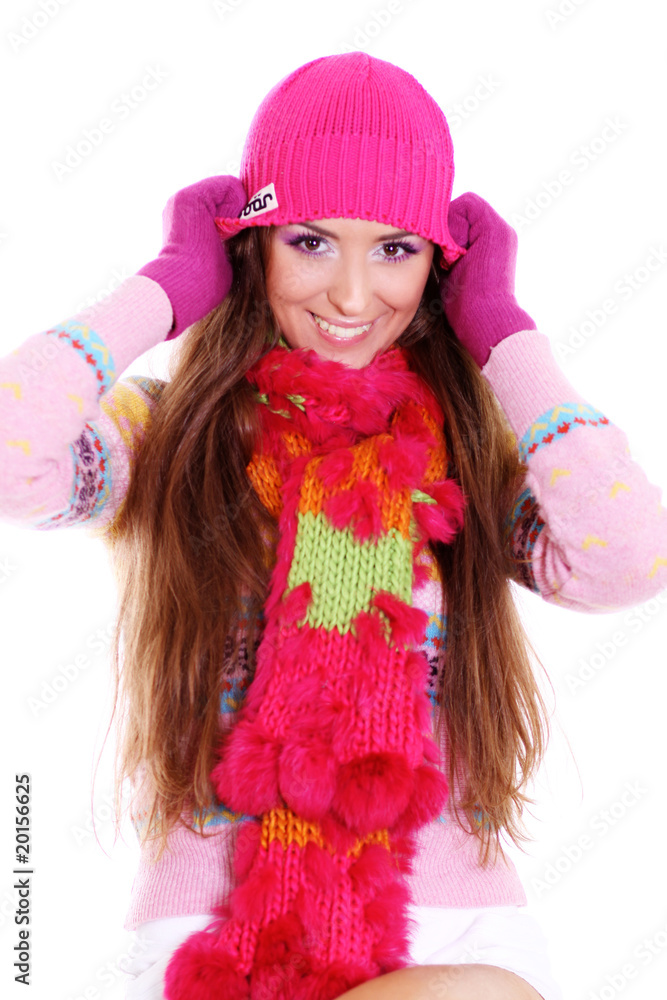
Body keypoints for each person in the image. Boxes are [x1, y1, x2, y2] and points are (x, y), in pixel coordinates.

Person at [1, 52, 665, 1000]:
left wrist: (504, 335)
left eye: (395, 250)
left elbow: (634, 558)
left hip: (453, 925)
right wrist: (161, 290)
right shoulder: (174, 436)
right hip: (223, 930)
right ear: (253, 245)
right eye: (310, 241)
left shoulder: (466, 457)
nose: (352, 297)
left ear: (438, 264)